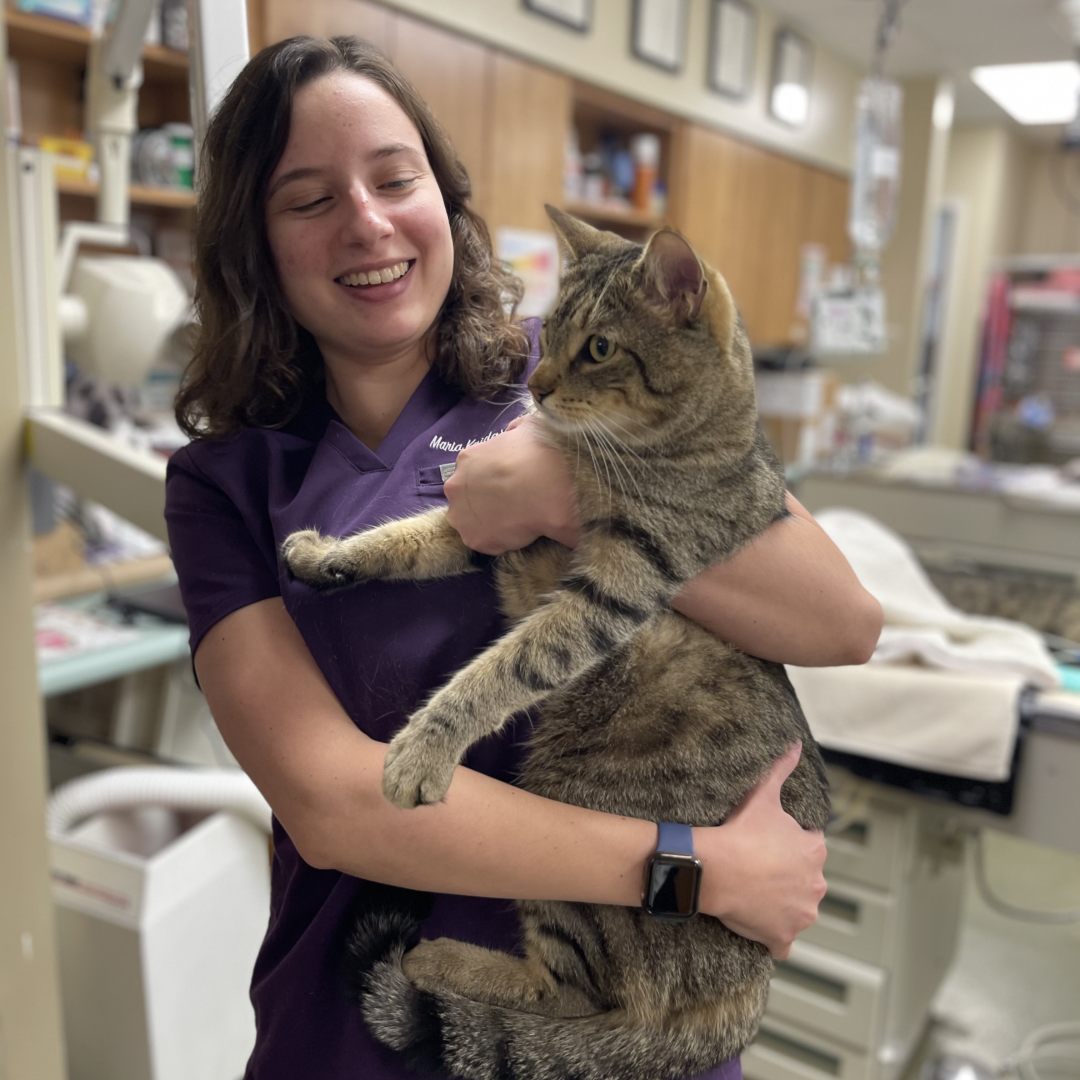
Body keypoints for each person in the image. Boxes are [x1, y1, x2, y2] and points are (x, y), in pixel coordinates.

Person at [165, 34, 882, 1080]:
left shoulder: (579, 368)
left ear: (444, 198)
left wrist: (567, 497)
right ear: (255, 244)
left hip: (634, 1024)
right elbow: (335, 805)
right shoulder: (225, 484)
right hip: (360, 1034)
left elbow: (842, 621)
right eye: (308, 200)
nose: (367, 223)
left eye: (394, 179)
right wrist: (693, 870)